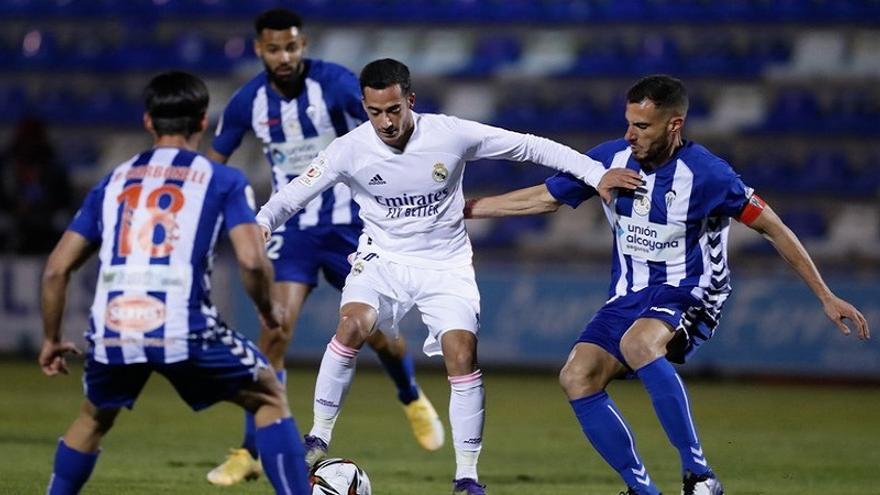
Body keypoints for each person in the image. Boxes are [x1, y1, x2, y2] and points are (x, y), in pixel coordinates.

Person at [464, 74, 870, 495]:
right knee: (577, 376)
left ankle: (699, 475)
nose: (630, 135)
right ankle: (642, 490)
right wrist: (465, 209)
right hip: (628, 295)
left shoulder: (710, 175)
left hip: (691, 290)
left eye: (642, 127)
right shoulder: (610, 159)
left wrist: (825, 295)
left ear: (673, 125)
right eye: (628, 123)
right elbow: (546, 197)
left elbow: (774, 229)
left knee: (639, 345)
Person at [255, 58, 640, 495]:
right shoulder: (349, 149)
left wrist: (596, 173)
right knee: (352, 324)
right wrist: (263, 222)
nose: (385, 121)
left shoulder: (450, 134)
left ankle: (467, 477)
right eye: (375, 112)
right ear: (364, 106)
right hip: (382, 258)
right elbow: (292, 194)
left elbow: (531, 146)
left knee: (462, 353)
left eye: (393, 110)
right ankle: (319, 435)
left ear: (410, 101)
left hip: (446, 263)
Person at [39, 71, 310, 495]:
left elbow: (57, 268)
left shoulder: (113, 181)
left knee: (94, 416)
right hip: (181, 324)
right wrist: (267, 308)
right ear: (204, 121)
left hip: (115, 324)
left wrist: (51, 338)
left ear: (148, 122)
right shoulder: (223, 179)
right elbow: (253, 262)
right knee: (268, 397)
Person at [205, 9, 443, 485]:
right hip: (293, 231)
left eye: (292, 47)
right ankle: (252, 449)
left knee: (379, 333)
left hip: (350, 225)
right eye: (274, 49)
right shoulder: (247, 101)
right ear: (259, 50)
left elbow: (386, 138)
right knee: (274, 331)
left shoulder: (335, 85)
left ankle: (411, 395)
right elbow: (215, 164)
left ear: (303, 44)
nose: (285, 56)